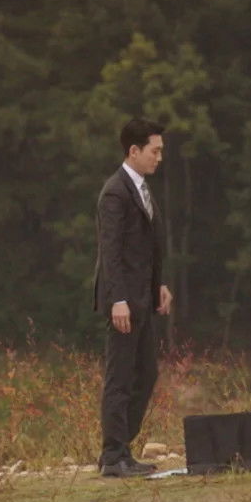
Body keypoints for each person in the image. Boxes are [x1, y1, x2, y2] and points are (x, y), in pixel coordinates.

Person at [91, 118, 172, 477]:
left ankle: (121, 447)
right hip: (123, 301)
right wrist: (117, 300)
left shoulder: (141, 188)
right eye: (155, 151)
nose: (159, 158)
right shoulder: (115, 192)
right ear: (134, 151)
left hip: (142, 298)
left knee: (146, 373)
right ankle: (113, 456)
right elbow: (110, 252)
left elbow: (147, 247)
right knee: (120, 377)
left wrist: (159, 284)